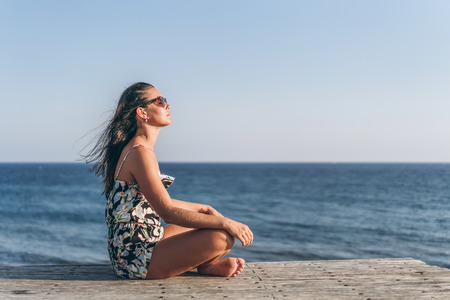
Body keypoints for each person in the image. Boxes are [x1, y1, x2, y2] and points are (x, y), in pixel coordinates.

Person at [85, 82, 253, 279]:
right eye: (160, 101)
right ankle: (204, 264)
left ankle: (205, 266)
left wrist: (204, 208)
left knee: (206, 222)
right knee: (222, 236)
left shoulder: (141, 150)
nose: (167, 106)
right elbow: (167, 212)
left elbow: (152, 203)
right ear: (142, 112)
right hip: (135, 259)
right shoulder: (139, 152)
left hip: (138, 245)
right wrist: (225, 222)